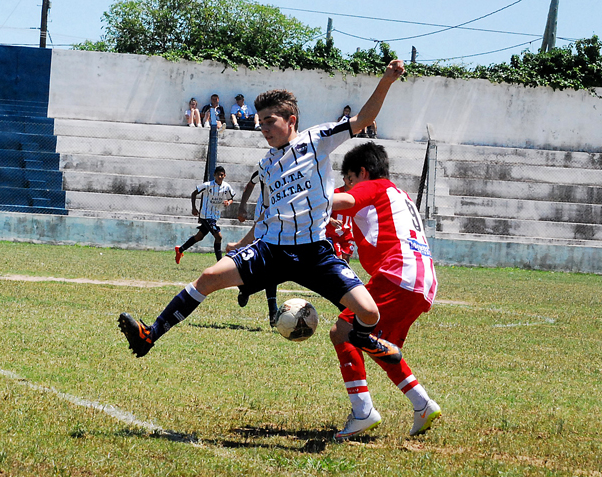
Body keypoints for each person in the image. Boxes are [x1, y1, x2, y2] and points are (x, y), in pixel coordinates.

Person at [118, 60, 406, 402]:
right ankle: (149, 335)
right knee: (208, 277)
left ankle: (365, 338)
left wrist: (387, 80)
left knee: (369, 313)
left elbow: (363, 119)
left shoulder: (318, 140)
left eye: (270, 121)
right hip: (272, 249)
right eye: (261, 122)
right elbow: (269, 212)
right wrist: (243, 242)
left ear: (291, 120)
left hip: (314, 252)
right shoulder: (267, 165)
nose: (263, 128)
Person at [330, 141, 440, 440]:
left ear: (362, 172)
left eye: (350, 179)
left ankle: (363, 413)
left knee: (342, 330)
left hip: (398, 274)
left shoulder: (375, 186)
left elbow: (342, 201)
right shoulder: (400, 195)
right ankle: (423, 405)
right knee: (376, 345)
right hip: (423, 280)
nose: (348, 186)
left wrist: (302, 200)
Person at [229, 170, 278, 324]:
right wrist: (242, 206)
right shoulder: (266, 166)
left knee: (272, 261)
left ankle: (271, 309)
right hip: (264, 212)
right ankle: (247, 289)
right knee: (256, 256)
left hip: (283, 214)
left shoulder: (295, 166)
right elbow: (251, 184)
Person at [174, 166, 235, 264]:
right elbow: (194, 194)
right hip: (206, 215)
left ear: (225, 176)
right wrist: (194, 207)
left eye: (222, 175)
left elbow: (231, 198)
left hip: (214, 216)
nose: (220, 177)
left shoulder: (226, 187)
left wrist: (228, 202)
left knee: (199, 237)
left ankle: (180, 250)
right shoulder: (208, 185)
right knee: (218, 237)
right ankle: (220, 263)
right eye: (218, 175)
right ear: (214, 175)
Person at [325, 174, 355, 263]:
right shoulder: (336, 193)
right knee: (339, 259)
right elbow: (324, 211)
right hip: (334, 233)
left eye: (352, 176)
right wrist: (331, 220)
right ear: (343, 179)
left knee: (346, 257)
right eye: (348, 177)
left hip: (347, 232)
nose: (350, 179)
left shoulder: (356, 194)